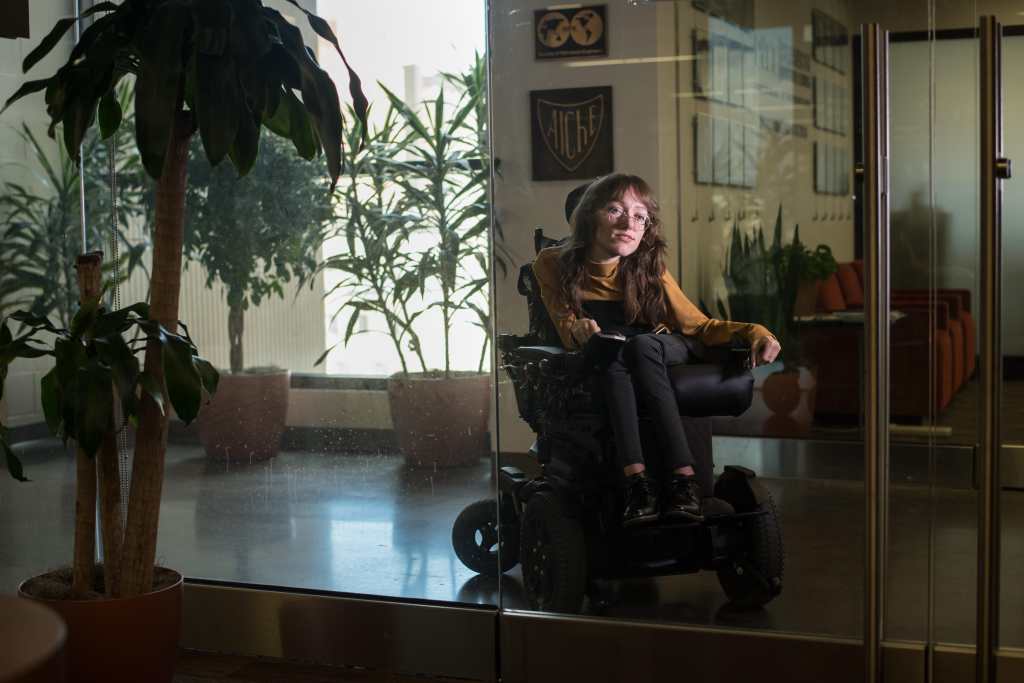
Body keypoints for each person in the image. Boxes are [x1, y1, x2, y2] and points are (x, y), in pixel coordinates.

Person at [532, 173, 781, 526]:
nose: (628, 224)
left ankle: (684, 481)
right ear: (589, 217)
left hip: (661, 345)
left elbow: (699, 327)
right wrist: (578, 329)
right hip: (613, 352)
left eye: (640, 216)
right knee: (613, 353)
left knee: (640, 345)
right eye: (615, 210)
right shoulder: (552, 263)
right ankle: (638, 483)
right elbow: (565, 323)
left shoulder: (648, 265)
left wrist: (756, 332)